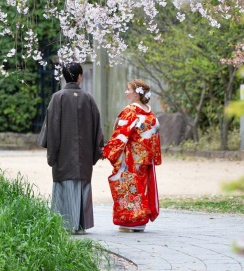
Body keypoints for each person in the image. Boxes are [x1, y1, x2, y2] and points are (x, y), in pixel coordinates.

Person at [38, 61, 104, 234]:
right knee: (81, 185)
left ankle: (65, 224)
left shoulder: (57, 97)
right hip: (83, 157)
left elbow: (51, 128)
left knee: (64, 185)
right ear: (80, 77)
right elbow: (97, 127)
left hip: (63, 155)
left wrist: (51, 153)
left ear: (65, 77)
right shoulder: (88, 98)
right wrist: (97, 149)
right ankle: (80, 225)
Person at [102, 79, 162, 232]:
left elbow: (121, 134)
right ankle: (140, 220)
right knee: (141, 188)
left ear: (136, 93)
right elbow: (154, 135)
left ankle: (131, 221)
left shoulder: (131, 111)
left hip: (130, 158)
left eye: (128, 89)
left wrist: (108, 151)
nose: (126, 92)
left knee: (129, 188)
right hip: (144, 159)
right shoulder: (149, 112)